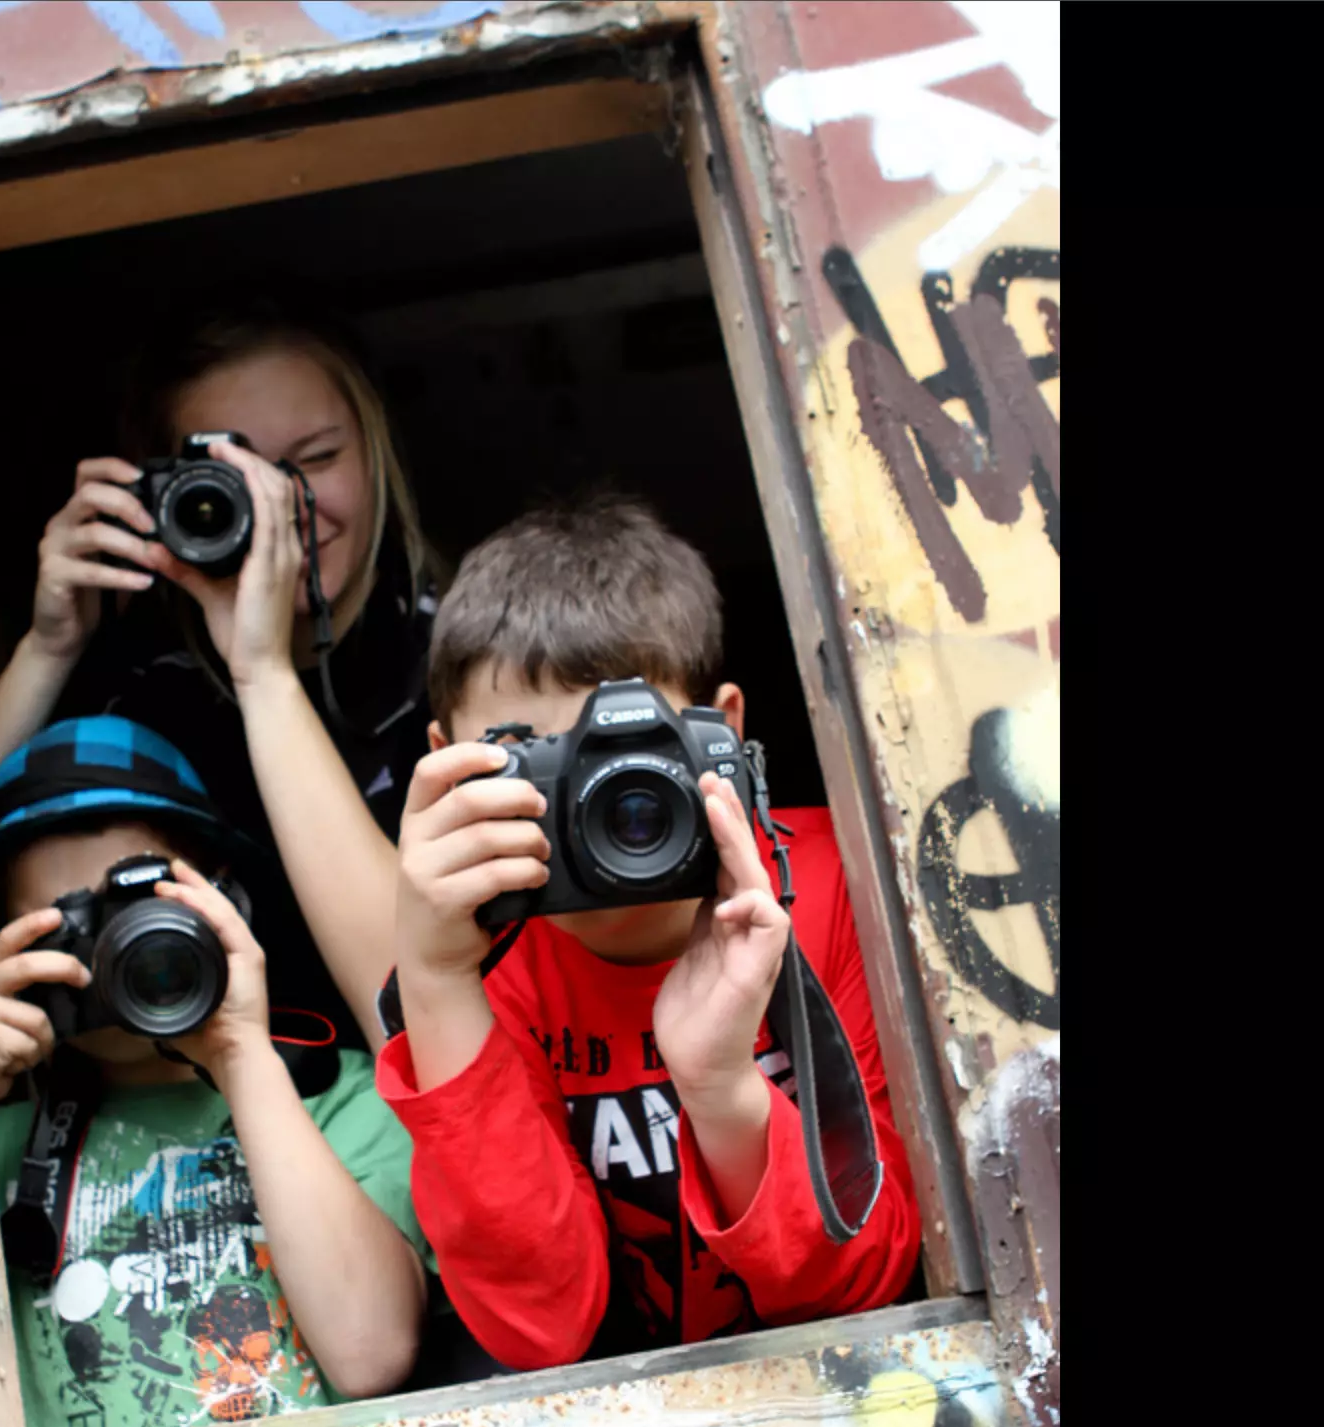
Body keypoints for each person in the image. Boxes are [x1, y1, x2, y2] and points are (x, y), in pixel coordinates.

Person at [378, 495, 919, 1371]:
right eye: (533, 761)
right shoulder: (482, 967)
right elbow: (541, 1333)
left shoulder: (839, 886)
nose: (596, 807)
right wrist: (435, 988)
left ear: (725, 732)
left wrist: (721, 1087)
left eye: (630, 756)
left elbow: (868, 1285)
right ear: (443, 765)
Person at [0, 297, 444, 1060]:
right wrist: (47, 651)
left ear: (377, 454)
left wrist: (263, 669)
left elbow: (416, 1017)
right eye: (228, 482)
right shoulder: (134, 691)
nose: (283, 505)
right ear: (158, 498)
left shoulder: (461, 654)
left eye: (314, 460)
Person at [0, 717, 429, 1427]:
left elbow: (372, 1353)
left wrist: (241, 1051)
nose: (112, 956)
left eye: (136, 912)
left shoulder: (340, 1101)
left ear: (227, 905)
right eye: (66, 930)